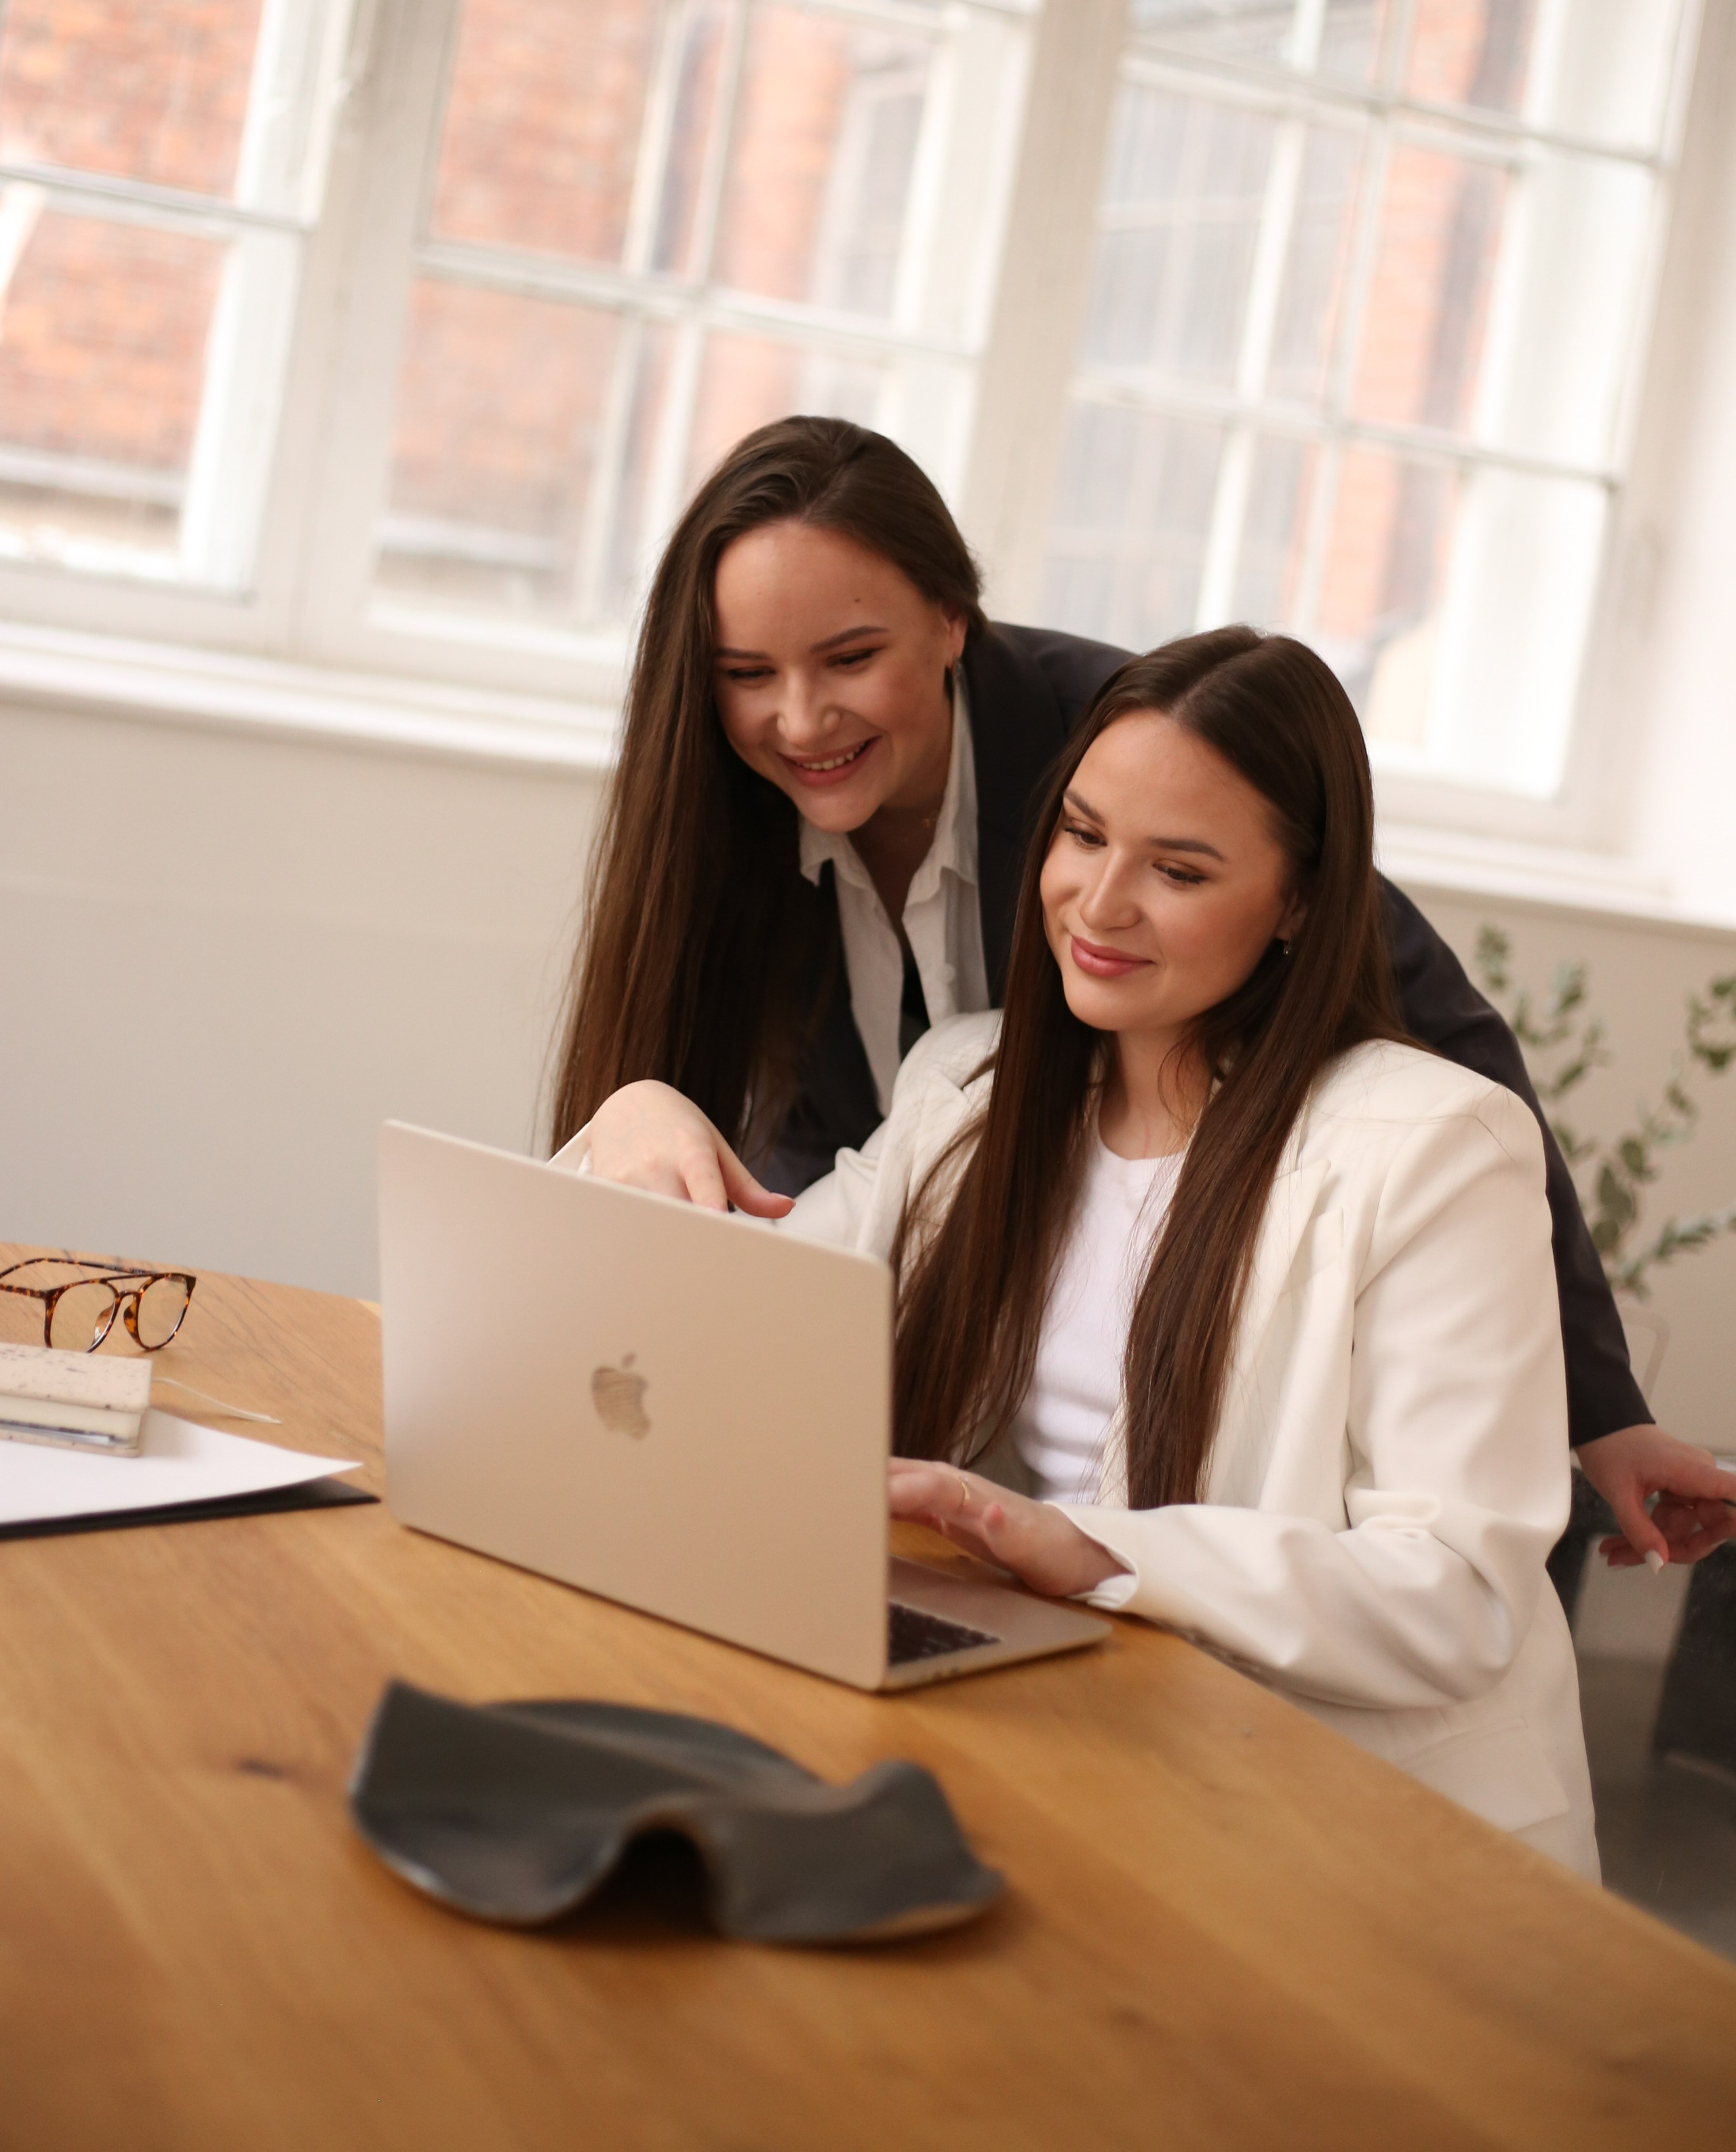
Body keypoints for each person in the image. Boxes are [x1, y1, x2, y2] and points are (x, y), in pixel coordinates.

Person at [552, 418, 1736, 1571]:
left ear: (955, 618)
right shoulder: (734, 800)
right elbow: (839, 1159)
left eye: (852, 658)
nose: (801, 718)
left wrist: (1600, 1406)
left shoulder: (1137, 753)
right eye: (749, 673)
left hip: (1187, 1278)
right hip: (935, 1264)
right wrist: (637, 1116)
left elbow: (1449, 1043)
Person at [570, 629, 1602, 1870]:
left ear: (1301, 906)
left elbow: (1458, 1591)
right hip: (1066, 1741)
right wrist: (639, 1121)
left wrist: (1102, 1554)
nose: (1099, 904)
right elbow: (737, 1309)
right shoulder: (969, 1086)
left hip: (1338, 1825)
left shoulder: (1433, 1146)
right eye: (1080, 834)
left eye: (1178, 869)